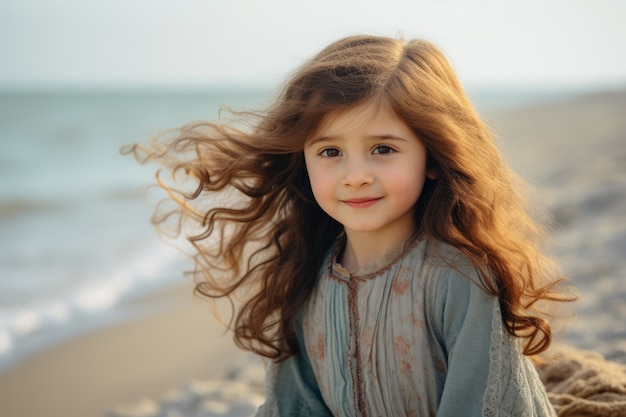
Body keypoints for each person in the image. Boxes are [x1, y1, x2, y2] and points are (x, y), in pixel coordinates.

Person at [126, 35, 576, 416]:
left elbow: (482, 403)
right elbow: (294, 404)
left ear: (433, 158)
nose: (355, 174)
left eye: (383, 148)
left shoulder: (459, 277)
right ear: (304, 162)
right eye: (330, 152)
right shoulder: (305, 279)